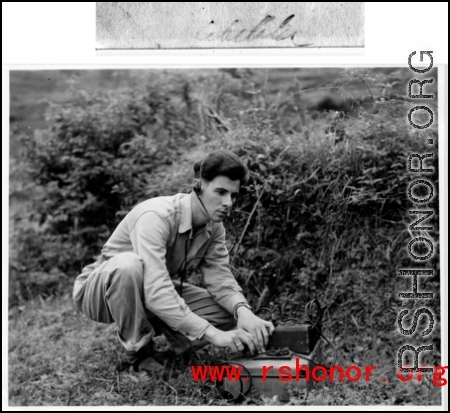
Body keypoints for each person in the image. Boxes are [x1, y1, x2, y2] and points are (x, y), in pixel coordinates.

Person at [72, 149, 274, 373]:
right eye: (220, 192)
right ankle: (139, 356)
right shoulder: (156, 216)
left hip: (151, 293)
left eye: (233, 195)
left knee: (230, 314)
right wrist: (214, 335)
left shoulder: (214, 226)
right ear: (198, 185)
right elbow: (156, 289)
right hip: (101, 293)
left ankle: (181, 344)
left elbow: (220, 278)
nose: (228, 203)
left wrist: (243, 311)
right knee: (128, 266)